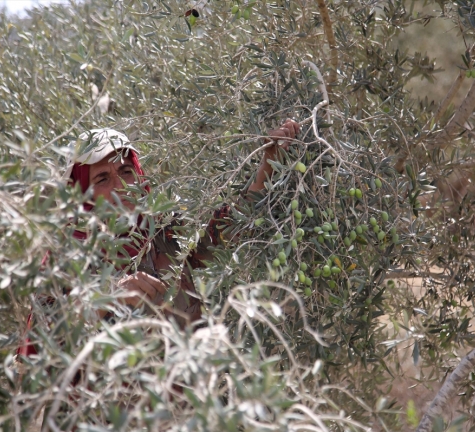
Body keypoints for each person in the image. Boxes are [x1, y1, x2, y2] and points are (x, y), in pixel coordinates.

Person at [18, 120, 300, 356]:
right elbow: (41, 350)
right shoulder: (64, 259)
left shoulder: (164, 231)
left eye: (126, 171)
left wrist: (269, 162)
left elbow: (226, 233)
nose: (121, 186)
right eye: (102, 179)